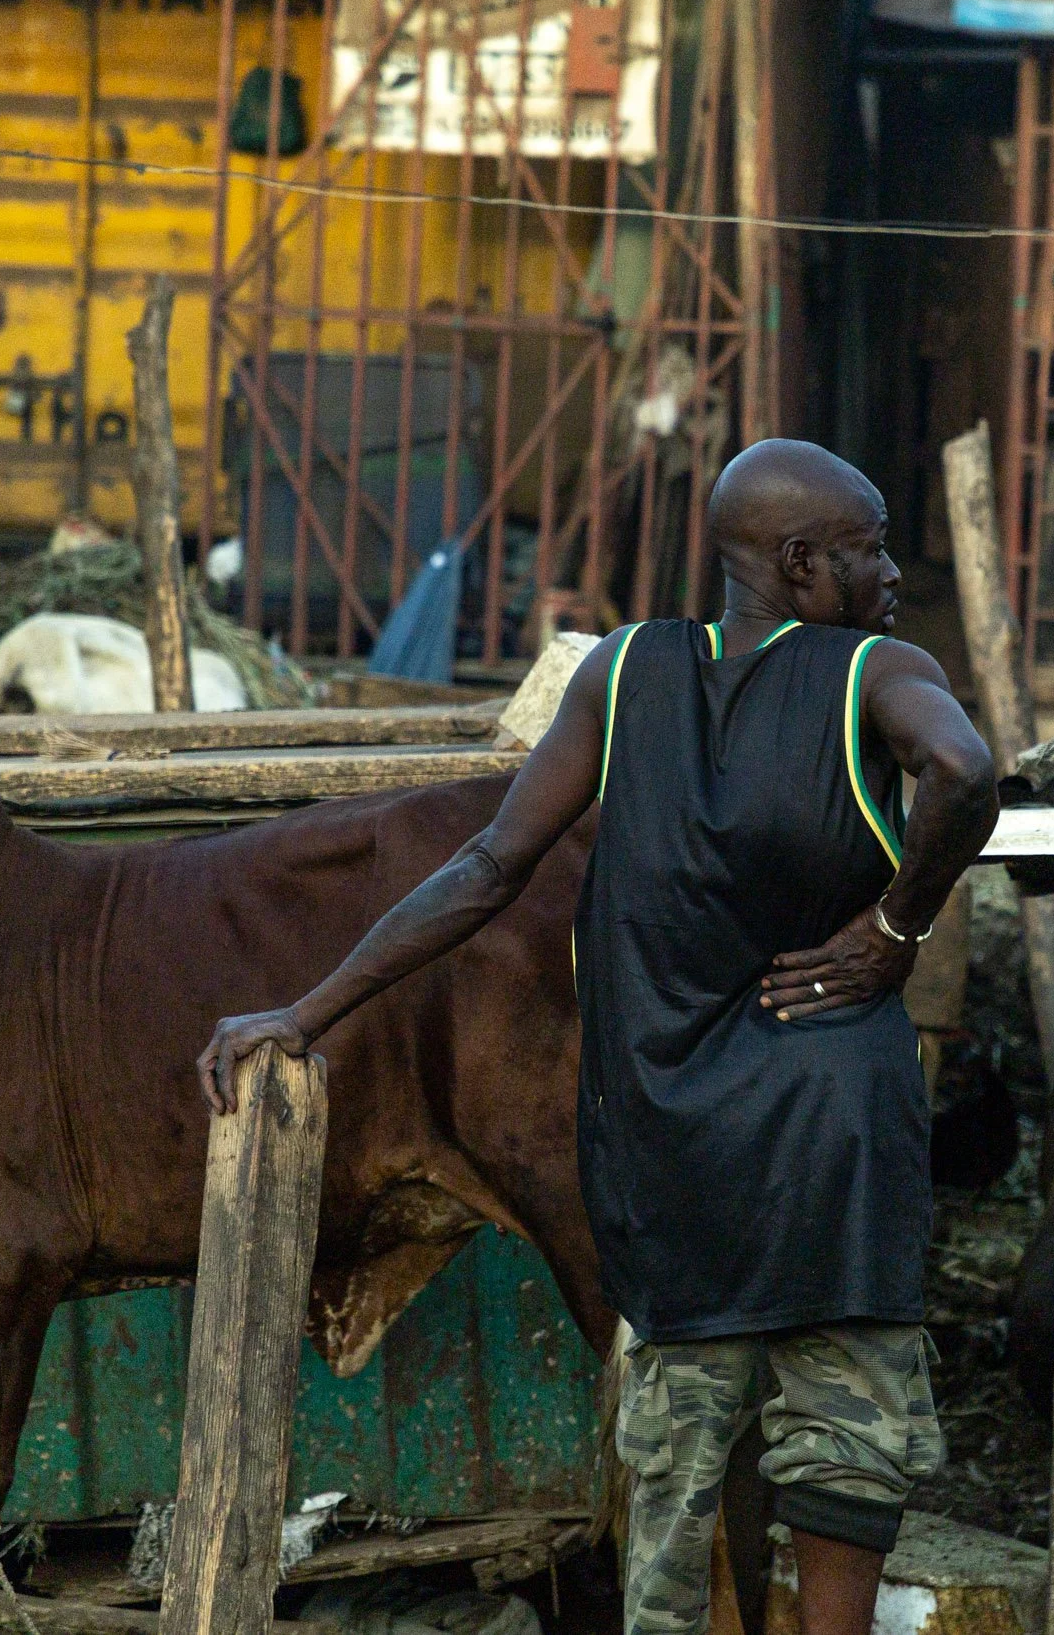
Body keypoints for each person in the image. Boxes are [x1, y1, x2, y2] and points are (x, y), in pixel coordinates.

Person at [197, 439, 1001, 1635]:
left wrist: (304, 1010)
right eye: (869, 547)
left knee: (679, 1463)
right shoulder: (876, 672)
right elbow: (967, 767)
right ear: (799, 564)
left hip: (672, 1138)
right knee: (845, 1445)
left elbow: (486, 867)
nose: (889, 572)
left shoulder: (621, 675)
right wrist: (894, 927)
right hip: (834, 1133)